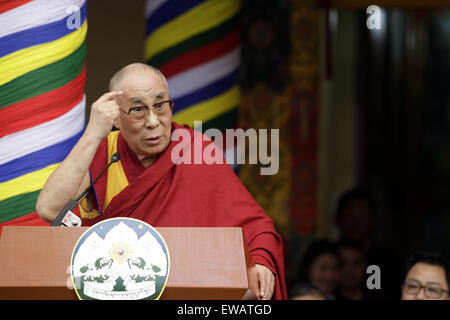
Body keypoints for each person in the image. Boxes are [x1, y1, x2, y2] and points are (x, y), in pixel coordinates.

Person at [36, 63, 286, 300]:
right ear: (114, 117)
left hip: (186, 292)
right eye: (138, 110)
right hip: (115, 290)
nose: (153, 122)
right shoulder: (104, 152)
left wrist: (262, 263)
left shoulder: (194, 150)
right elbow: (50, 209)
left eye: (160, 106)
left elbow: (253, 224)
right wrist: (93, 133)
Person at [334, 187, 401, 299]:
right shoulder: (327, 255)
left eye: (363, 215)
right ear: (337, 218)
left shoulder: (387, 259)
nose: (356, 222)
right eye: (350, 215)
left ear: (372, 221)